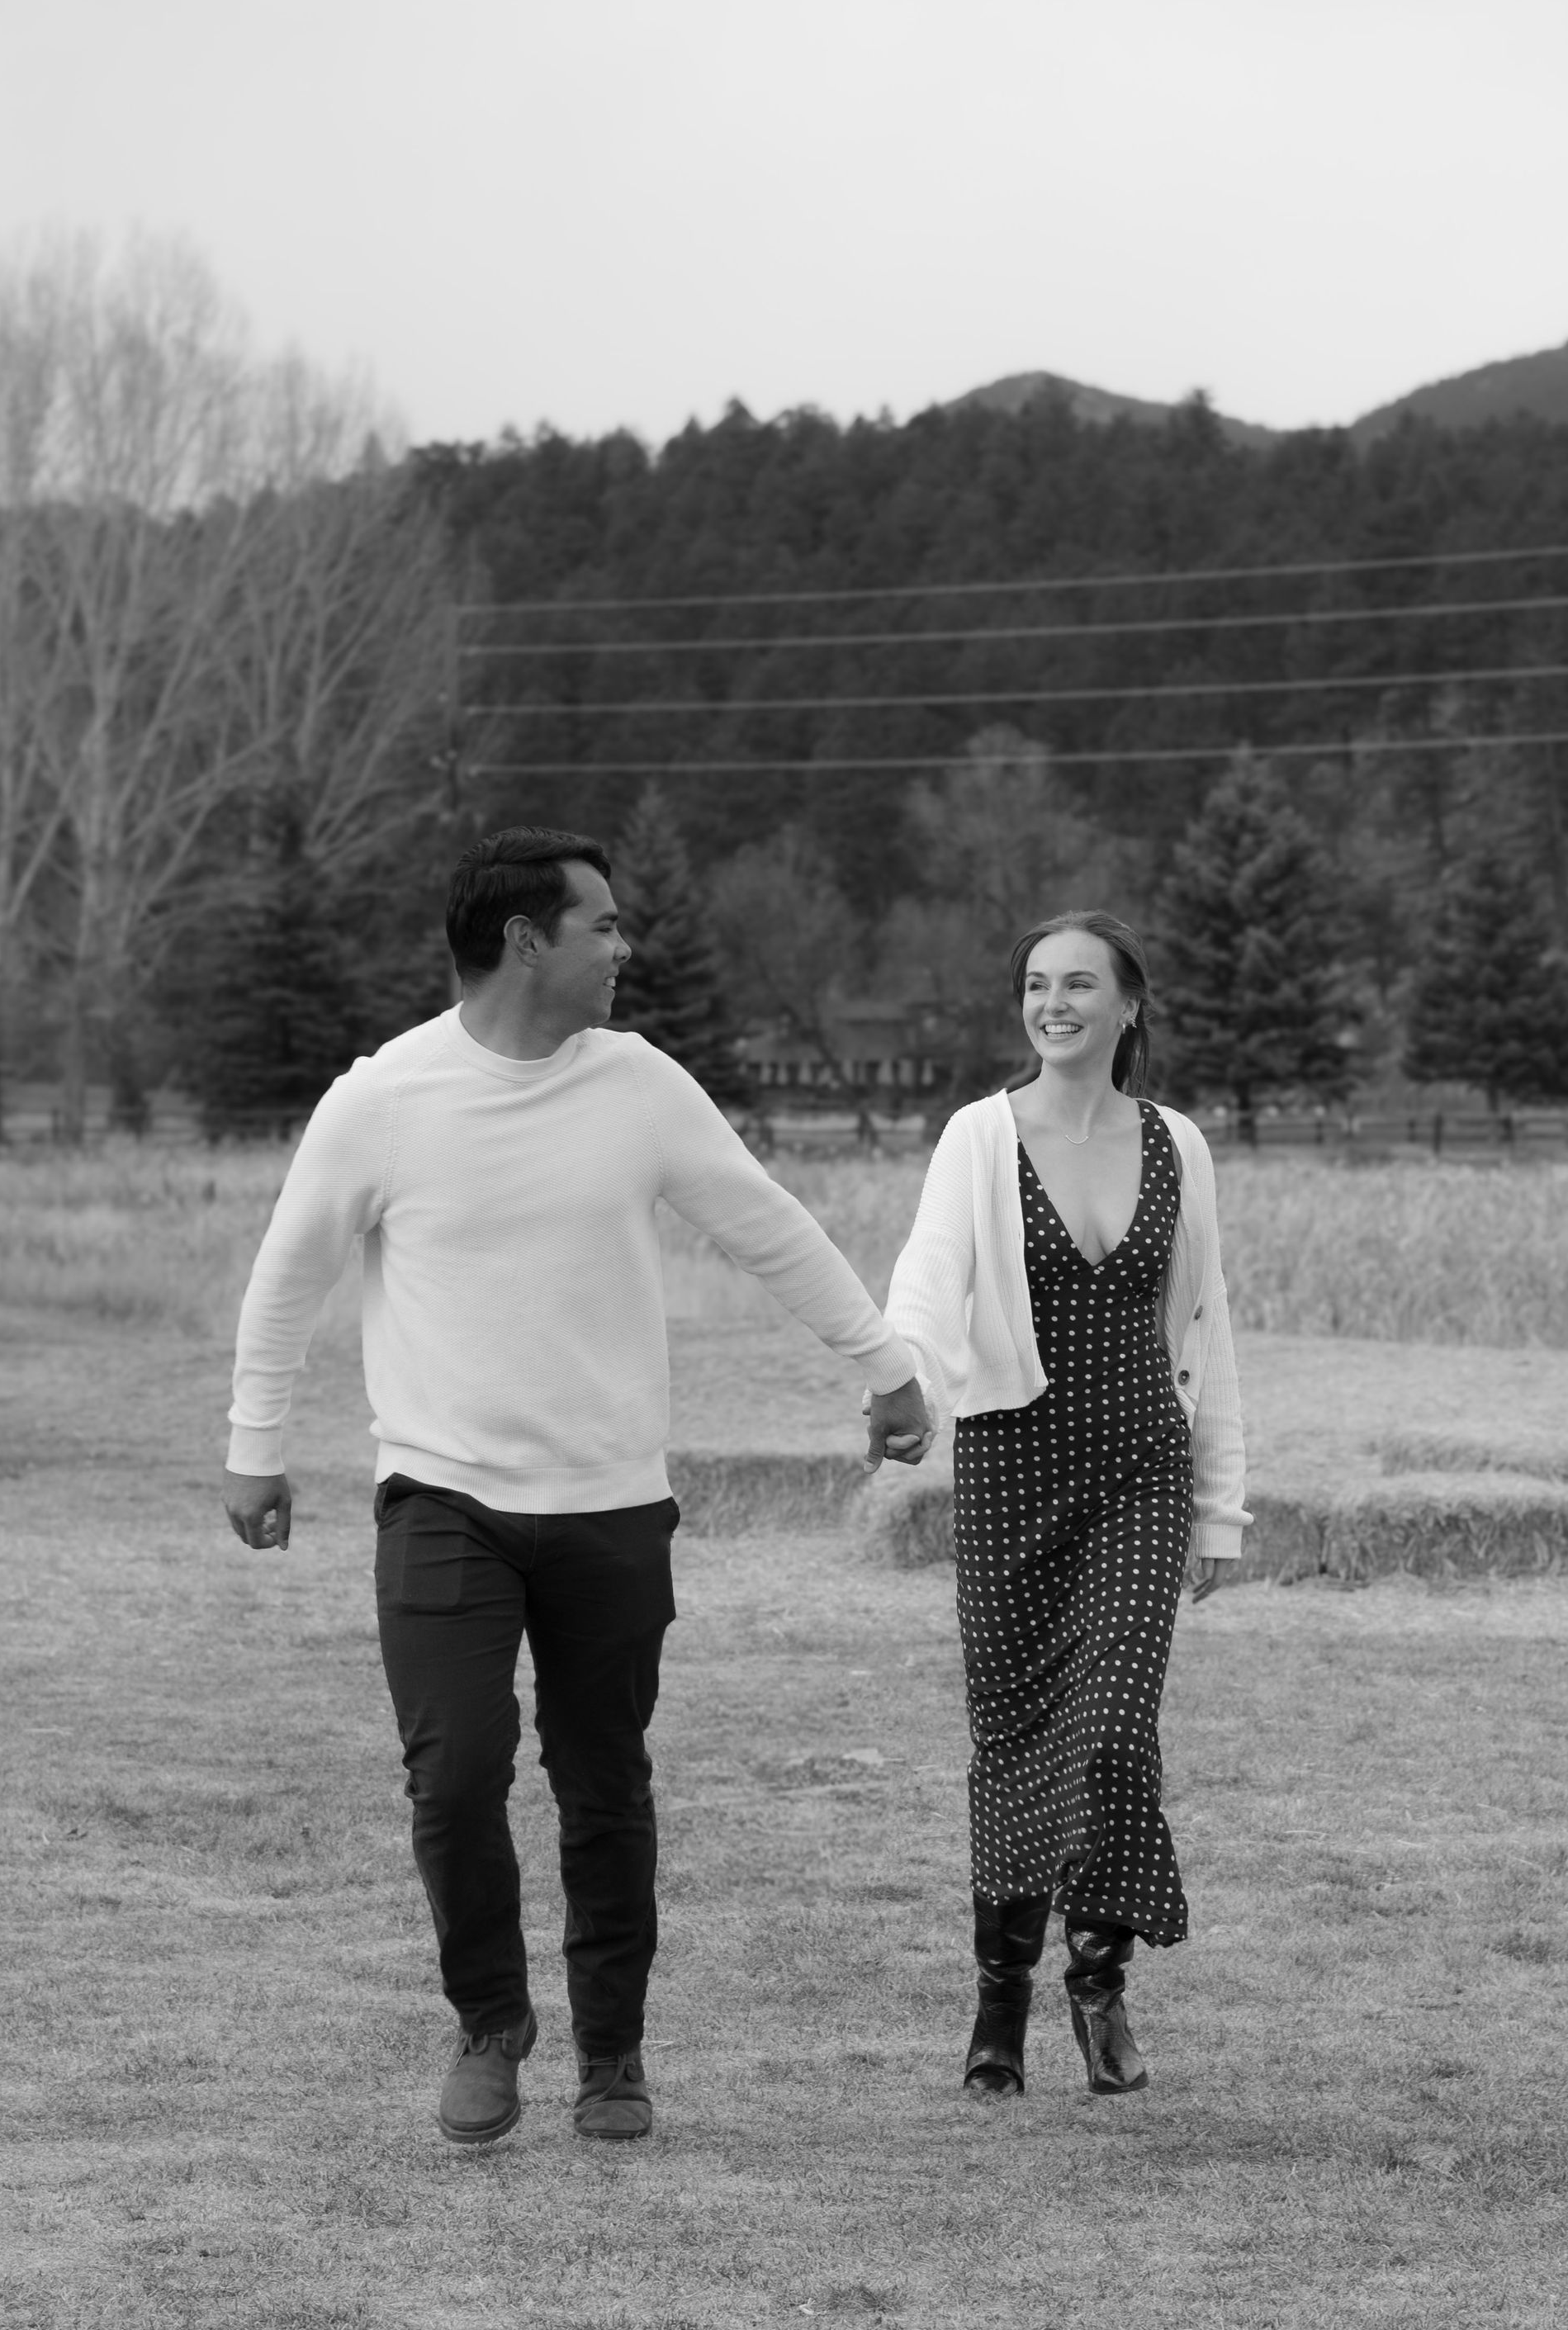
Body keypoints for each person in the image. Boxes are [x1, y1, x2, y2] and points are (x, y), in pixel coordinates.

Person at [221, 826, 931, 2148]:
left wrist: (885, 1364)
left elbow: (765, 1223)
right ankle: (491, 2026)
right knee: (455, 1774)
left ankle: (613, 2055)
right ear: (524, 941)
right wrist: (253, 1442)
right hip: (443, 1497)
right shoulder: (384, 1100)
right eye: (601, 925)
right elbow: (287, 1277)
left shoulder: (639, 1085)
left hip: (610, 1503)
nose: (623, 946)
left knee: (604, 1783)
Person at [876, 909, 1248, 2099]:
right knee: (1016, 1733)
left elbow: (1207, 1324)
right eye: (1037, 984)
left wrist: (1221, 1510)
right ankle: (1001, 2000)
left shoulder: (1178, 1143)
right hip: (1012, 1470)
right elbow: (930, 1277)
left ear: (1129, 1004)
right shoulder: (979, 1137)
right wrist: (903, 1377)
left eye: (1080, 984)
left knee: (1116, 1724)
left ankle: (1099, 1983)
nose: (1054, 1004)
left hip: (1141, 1467)